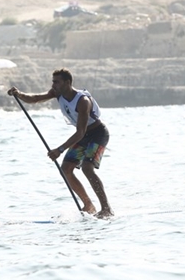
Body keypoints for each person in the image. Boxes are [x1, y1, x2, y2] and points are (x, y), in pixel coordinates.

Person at [8, 68, 113, 219]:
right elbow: (36, 98)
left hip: (97, 134)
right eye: (53, 82)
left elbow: (80, 132)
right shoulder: (57, 93)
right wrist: (19, 94)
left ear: (68, 83)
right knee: (66, 169)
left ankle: (106, 209)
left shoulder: (82, 101)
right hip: (82, 136)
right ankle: (88, 205)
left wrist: (60, 149)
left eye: (57, 82)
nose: (53, 85)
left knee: (87, 168)